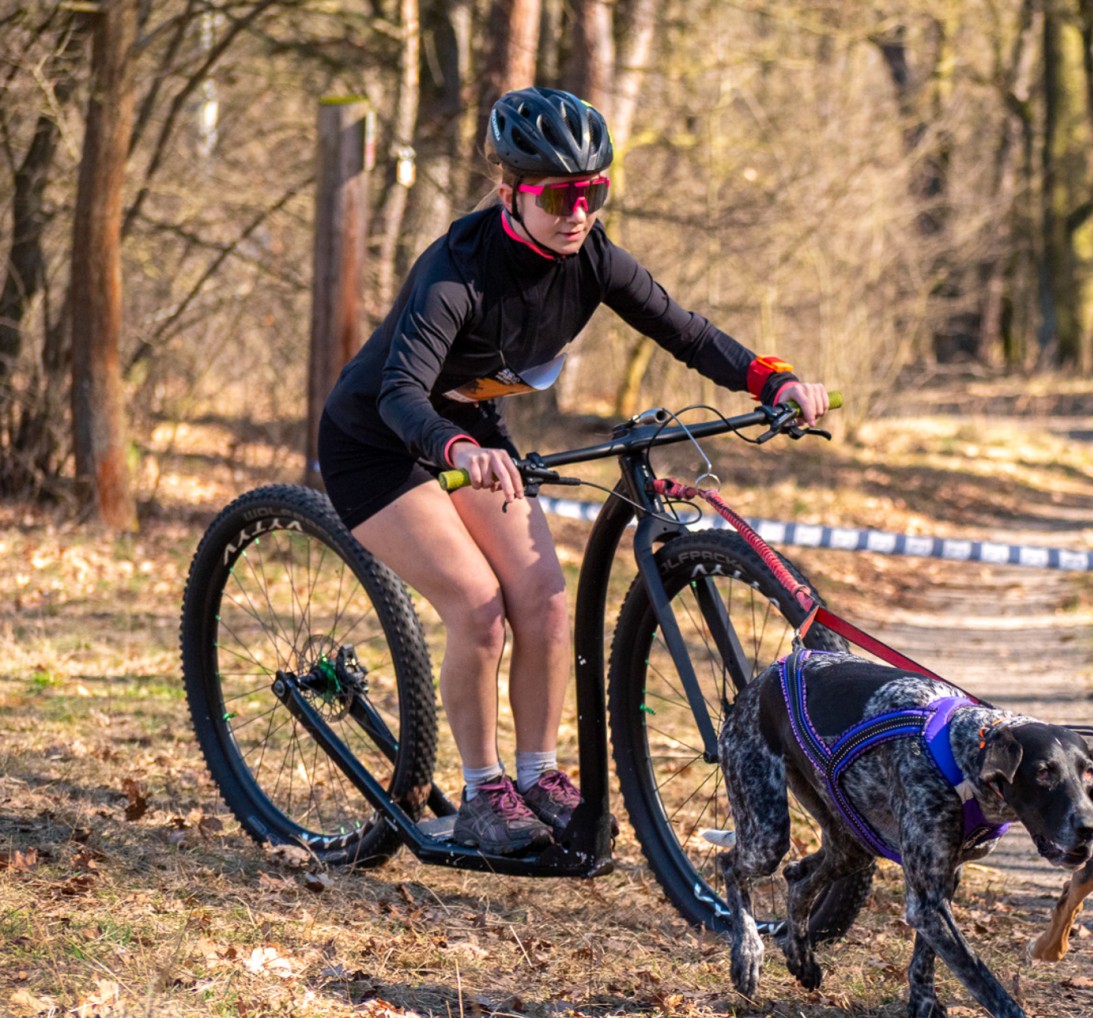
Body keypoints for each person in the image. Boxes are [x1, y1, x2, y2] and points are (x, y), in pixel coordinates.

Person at [318, 86, 830, 855]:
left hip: (467, 429)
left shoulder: (592, 258)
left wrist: (769, 381)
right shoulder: (455, 269)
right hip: (379, 441)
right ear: (509, 193)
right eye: (559, 194)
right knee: (480, 608)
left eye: (593, 191)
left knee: (547, 604)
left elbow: (684, 331)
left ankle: (536, 773)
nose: (577, 210)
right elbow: (397, 391)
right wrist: (457, 449)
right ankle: (484, 790)